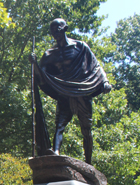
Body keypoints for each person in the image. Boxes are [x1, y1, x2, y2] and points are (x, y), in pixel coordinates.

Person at [29, 18, 112, 164]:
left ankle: (88, 162)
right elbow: (41, 76)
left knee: (86, 129)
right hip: (64, 93)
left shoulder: (79, 47)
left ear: (64, 28)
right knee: (59, 124)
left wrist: (104, 81)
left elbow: (96, 66)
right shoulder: (49, 54)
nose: (55, 33)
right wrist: (34, 63)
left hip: (81, 91)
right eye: (52, 31)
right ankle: (55, 152)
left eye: (58, 29)